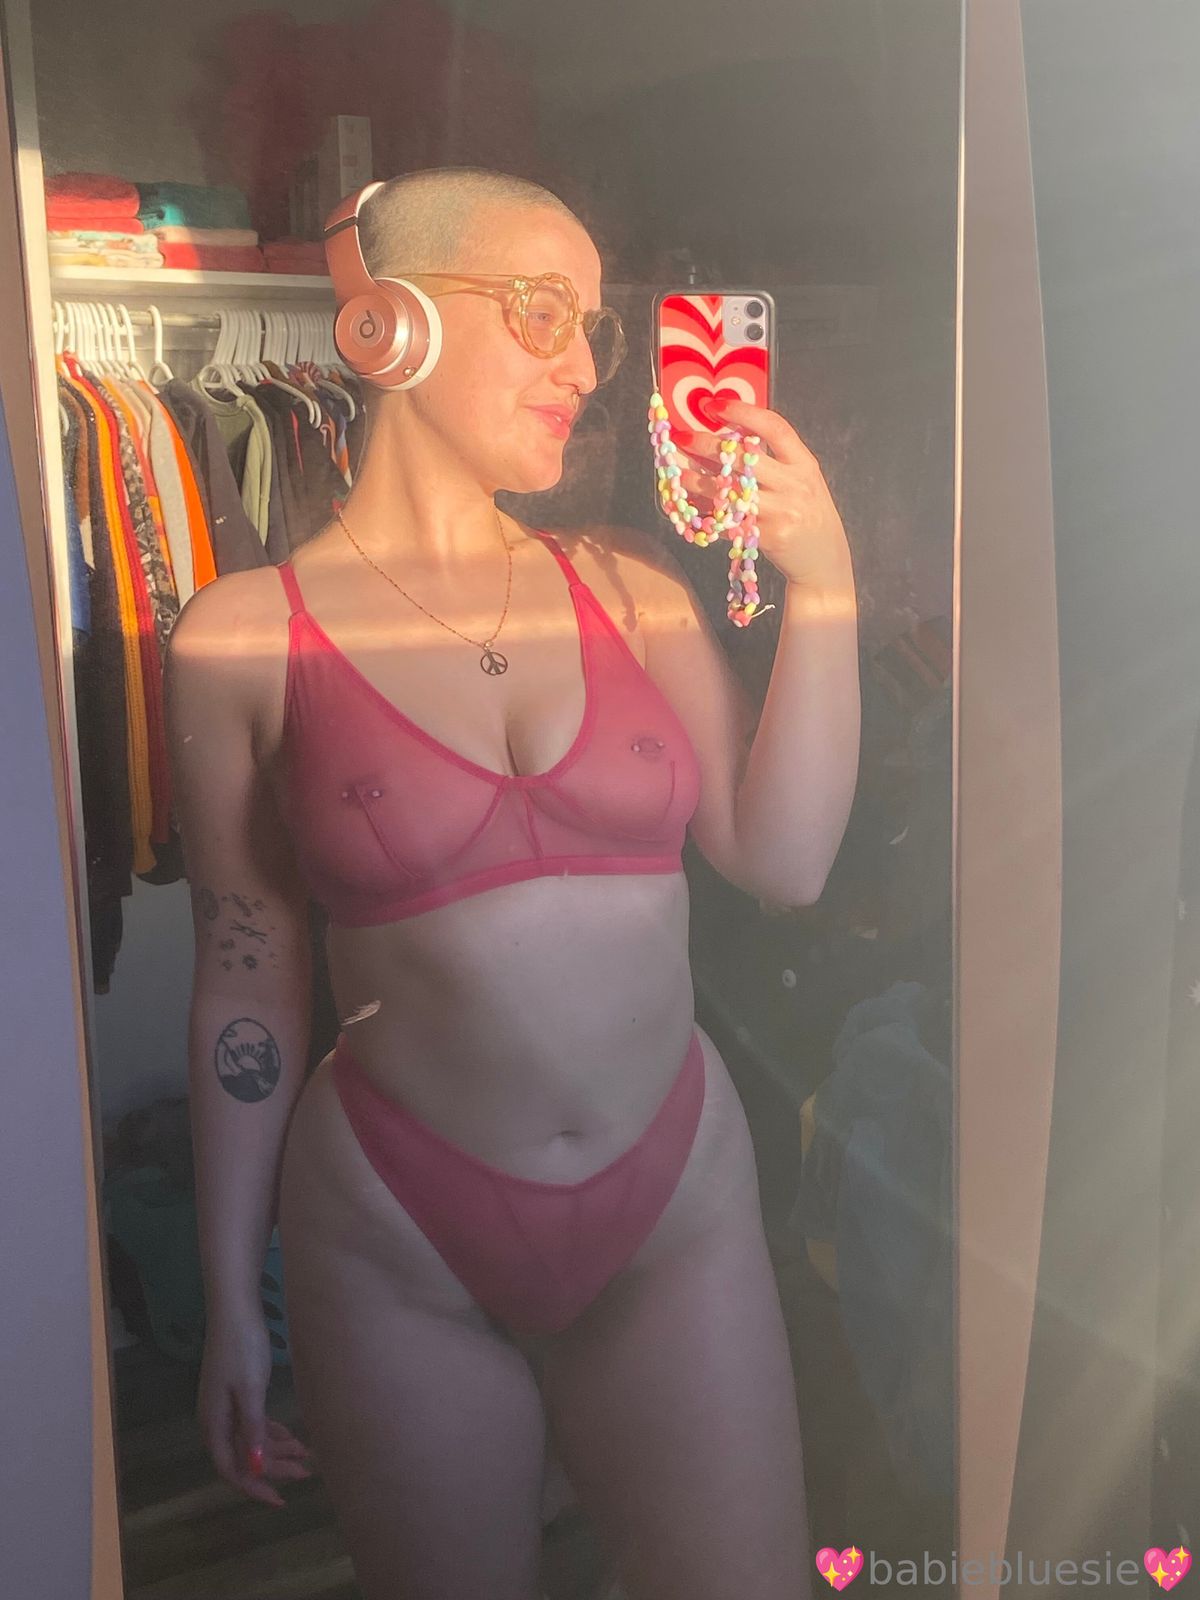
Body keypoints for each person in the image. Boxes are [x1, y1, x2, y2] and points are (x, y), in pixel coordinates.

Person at [165, 167, 861, 1600]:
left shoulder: (632, 592)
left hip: (674, 1200)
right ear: (393, 327)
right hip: (397, 1229)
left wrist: (827, 582)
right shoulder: (241, 640)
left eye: (593, 329)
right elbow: (244, 973)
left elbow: (785, 863)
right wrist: (231, 1293)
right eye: (541, 312)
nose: (584, 369)